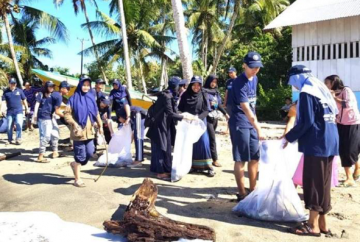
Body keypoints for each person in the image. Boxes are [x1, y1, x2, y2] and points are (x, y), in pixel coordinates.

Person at [284, 65, 339, 237]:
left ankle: (312, 225)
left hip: (317, 142)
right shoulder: (321, 89)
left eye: (293, 82)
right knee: (323, 184)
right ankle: (323, 223)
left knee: (314, 184)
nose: (294, 86)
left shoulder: (307, 91)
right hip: (330, 140)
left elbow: (306, 122)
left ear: (297, 78)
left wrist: (287, 137)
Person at [228, 51, 265, 202]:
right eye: (252, 67)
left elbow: (253, 105)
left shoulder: (255, 78)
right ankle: (242, 193)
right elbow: (246, 108)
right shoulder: (238, 83)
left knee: (255, 158)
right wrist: (259, 127)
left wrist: (255, 125)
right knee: (241, 159)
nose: (255, 70)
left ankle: (253, 189)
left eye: (257, 67)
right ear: (244, 66)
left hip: (251, 122)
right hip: (240, 123)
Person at [146, 76, 194, 180]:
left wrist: (183, 115)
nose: (182, 88)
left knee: (165, 146)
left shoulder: (170, 95)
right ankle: (160, 172)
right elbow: (170, 113)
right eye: (180, 85)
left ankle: (161, 169)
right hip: (159, 126)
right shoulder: (167, 96)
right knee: (161, 147)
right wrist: (184, 117)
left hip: (164, 125)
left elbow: (174, 111)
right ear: (176, 86)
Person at [64, 77, 103, 187]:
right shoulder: (73, 98)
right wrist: (74, 124)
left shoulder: (91, 98)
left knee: (90, 152)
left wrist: (100, 126)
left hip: (90, 132)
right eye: (84, 85)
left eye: (88, 85)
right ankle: (77, 179)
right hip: (79, 132)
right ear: (80, 85)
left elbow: (96, 113)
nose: (86, 87)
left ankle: (74, 164)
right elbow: (67, 114)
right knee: (80, 156)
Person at [325, 75, 360, 187]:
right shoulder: (329, 94)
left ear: (334, 82)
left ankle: (353, 172)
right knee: (343, 149)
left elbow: (348, 104)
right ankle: (350, 175)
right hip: (339, 123)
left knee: (350, 150)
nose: (326, 85)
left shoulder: (346, 90)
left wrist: (334, 97)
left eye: (327, 83)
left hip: (352, 122)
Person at [179, 76, 215, 177]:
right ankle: (192, 166)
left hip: (200, 121)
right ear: (191, 85)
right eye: (194, 85)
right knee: (190, 144)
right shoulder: (185, 95)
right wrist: (185, 116)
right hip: (188, 122)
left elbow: (207, 109)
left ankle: (208, 166)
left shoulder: (203, 94)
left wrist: (198, 118)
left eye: (198, 85)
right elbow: (180, 108)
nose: (196, 87)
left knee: (204, 142)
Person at [203, 74, 229, 167]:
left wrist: (225, 114)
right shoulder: (203, 91)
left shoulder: (216, 92)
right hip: (206, 118)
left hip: (215, 117)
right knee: (212, 138)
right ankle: (215, 159)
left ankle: (209, 157)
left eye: (215, 82)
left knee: (211, 138)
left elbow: (219, 105)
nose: (213, 84)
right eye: (212, 82)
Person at [33, 81, 61, 162]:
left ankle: (54, 152)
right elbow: (37, 105)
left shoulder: (53, 95)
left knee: (54, 134)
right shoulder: (41, 94)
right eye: (50, 86)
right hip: (43, 117)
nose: (51, 88)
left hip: (50, 117)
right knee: (46, 136)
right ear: (46, 87)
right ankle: (40, 155)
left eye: (52, 86)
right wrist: (34, 115)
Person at [0, 78, 29, 145]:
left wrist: (27, 108)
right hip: (10, 112)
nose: (13, 85)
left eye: (14, 83)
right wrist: (2, 110)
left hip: (19, 111)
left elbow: (24, 99)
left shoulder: (19, 91)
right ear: (9, 84)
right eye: (11, 83)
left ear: (16, 84)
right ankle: (10, 139)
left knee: (19, 124)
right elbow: (3, 102)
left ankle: (18, 138)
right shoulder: (6, 92)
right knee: (9, 126)